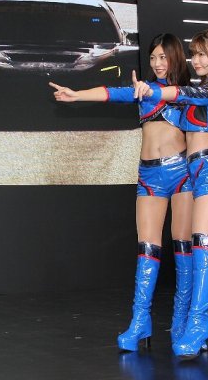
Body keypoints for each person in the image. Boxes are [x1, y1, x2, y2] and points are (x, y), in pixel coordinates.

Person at [50, 33, 195, 351]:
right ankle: (140, 321)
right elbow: (112, 93)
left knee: (183, 246)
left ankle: (182, 321)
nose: (157, 63)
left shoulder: (187, 92)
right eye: (153, 58)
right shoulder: (144, 90)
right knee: (147, 248)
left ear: (175, 57)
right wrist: (76, 95)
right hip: (149, 175)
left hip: (182, 173)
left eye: (163, 57)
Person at [134, 27, 208, 359]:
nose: (197, 60)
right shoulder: (193, 90)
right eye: (195, 54)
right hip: (191, 171)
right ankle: (197, 323)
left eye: (203, 54)